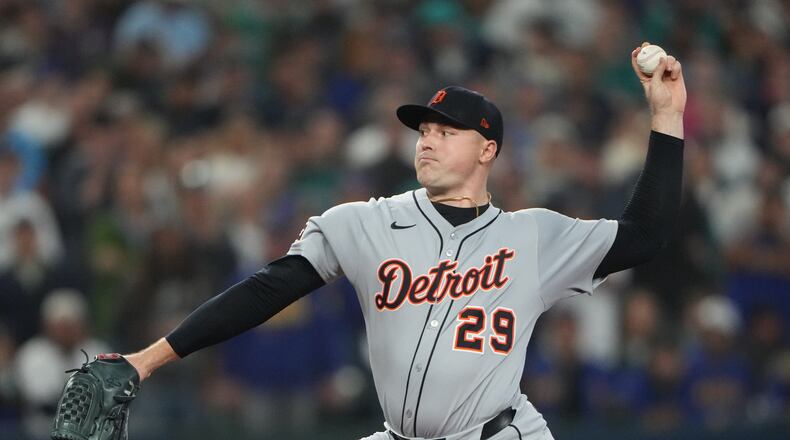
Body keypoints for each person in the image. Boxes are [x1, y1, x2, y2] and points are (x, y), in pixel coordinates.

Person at [119, 43, 685, 440]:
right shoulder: (361, 223)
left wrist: (665, 115)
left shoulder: (532, 236)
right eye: (424, 131)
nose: (428, 141)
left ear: (488, 150)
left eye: (446, 131)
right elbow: (265, 291)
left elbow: (646, 235)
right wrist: (146, 361)